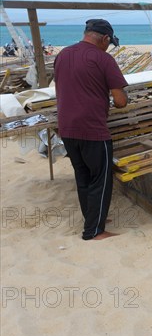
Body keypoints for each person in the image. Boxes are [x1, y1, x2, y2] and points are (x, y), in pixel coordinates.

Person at [54, 19, 128, 241]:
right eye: (109, 42)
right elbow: (121, 101)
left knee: (83, 176)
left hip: (67, 128)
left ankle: (93, 218)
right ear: (104, 39)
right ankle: (94, 231)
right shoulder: (104, 59)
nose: (108, 46)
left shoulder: (63, 55)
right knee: (101, 178)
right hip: (93, 129)